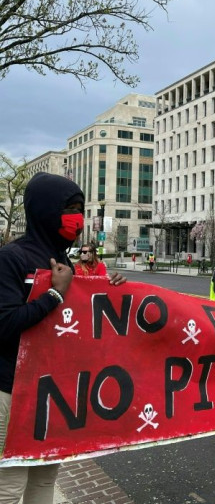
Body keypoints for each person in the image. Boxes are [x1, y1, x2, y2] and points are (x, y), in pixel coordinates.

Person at [0, 172, 126, 503]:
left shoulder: (66, 262)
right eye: (69, 208)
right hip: (11, 391)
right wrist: (53, 296)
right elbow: (5, 324)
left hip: (53, 393)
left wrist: (107, 293)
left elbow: (77, 321)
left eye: (80, 209)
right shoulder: (12, 259)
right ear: (44, 209)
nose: (77, 218)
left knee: (44, 480)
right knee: (9, 487)